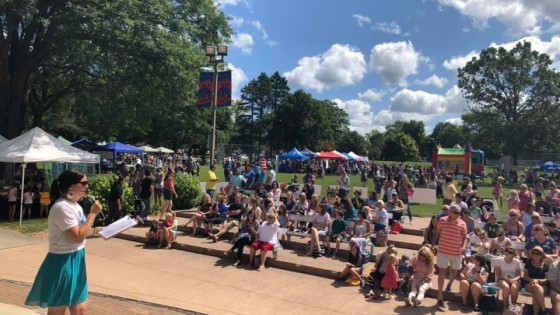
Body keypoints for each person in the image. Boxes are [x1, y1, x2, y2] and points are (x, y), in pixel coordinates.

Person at [25, 169, 103, 314]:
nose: (87, 187)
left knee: (80, 311)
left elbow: (80, 233)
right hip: (62, 262)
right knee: (57, 311)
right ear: (71, 186)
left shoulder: (75, 206)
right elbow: (77, 236)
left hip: (78, 258)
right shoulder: (61, 207)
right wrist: (92, 213)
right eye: (84, 183)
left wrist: (95, 231)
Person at [433, 204, 467, 309]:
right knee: (442, 272)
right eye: (456, 213)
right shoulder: (442, 220)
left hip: (456, 252)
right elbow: (437, 233)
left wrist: (464, 247)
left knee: (454, 272)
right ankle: (440, 296)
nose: (458, 215)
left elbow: (465, 237)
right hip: (443, 250)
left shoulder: (462, 223)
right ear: (450, 212)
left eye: (459, 213)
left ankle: (449, 285)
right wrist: (433, 244)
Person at [523, 246, 549, 315]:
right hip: (529, 284)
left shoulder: (546, 266)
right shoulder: (528, 262)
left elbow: (547, 279)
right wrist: (532, 280)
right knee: (537, 288)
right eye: (533, 253)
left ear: (541, 255)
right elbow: (525, 276)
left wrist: (538, 281)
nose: (535, 255)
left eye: (537, 254)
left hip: (543, 285)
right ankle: (544, 310)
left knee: (536, 293)